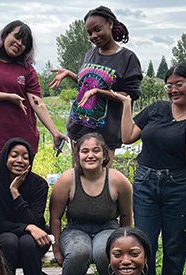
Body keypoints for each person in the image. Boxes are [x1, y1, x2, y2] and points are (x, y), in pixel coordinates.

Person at [115, 61, 186, 275]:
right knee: (145, 245)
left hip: (178, 187)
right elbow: (127, 137)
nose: (173, 90)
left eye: (179, 84)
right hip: (145, 183)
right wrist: (127, 104)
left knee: (175, 248)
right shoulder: (157, 109)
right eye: (169, 85)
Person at [0, 20, 66, 178]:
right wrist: (8, 97)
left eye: (25, 43)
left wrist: (54, 131)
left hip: (23, 139)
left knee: (21, 187)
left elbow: (37, 102)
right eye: (17, 37)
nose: (19, 43)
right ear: (5, 35)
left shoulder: (27, 70)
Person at [49, 6, 142, 161]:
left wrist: (99, 92)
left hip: (105, 134)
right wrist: (70, 74)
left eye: (97, 29)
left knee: (102, 182)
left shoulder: (127, 58)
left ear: (110, 24)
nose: (93, 36)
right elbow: (88, 84)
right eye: (89, 33)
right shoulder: (90, 54)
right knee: (78, 180)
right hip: (78, 127)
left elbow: (129, 95)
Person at [49, 133, 133, 275]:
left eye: (96, 150)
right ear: (77, 155)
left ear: (104, 155)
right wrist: (56, 249)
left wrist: (124, 242)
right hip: (75, 229)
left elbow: (126, 215)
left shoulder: (118, 180)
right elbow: (55, 217)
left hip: (108, 228)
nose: (90, 155)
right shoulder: (68, 179)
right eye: (85, 151)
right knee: (79, 252)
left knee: (104, 253)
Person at [0, 137, 51, 275]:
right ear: (5, 157)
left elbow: (35, 221)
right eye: (14, 155)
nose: (19, 160)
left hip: (35, 239)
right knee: (9, 240)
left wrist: (15, 191)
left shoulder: (39, 184)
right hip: (5, 238)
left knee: (27, 243)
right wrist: (28, 227)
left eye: (25, 157)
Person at [83, 227, 173, 275]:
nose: (126, 261)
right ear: (109, 258)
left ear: (145, 258)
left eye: (134, 254)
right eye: (117, 254)